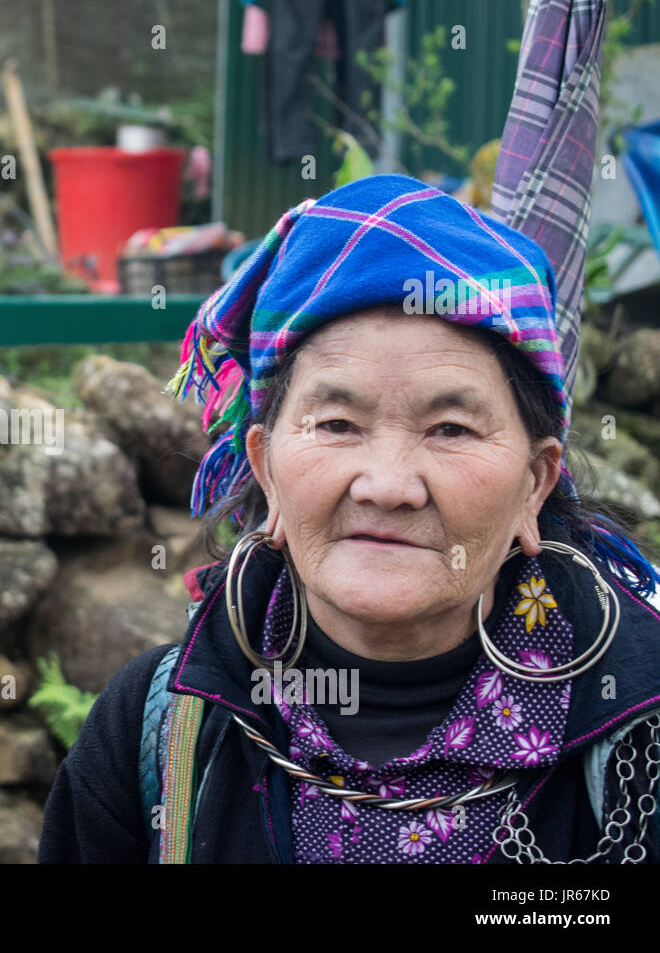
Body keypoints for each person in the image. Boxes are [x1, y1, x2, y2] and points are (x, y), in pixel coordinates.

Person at [39, 174, 660, 864]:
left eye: (451, 428)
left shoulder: (637, 732)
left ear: (534, 486)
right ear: (267, 467)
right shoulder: (154, 731)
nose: (388, 485)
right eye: (336, 422)